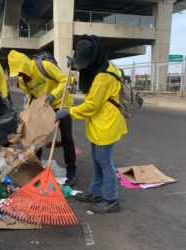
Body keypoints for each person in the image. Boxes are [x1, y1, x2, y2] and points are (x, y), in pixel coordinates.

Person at [55, 35, 127, 214]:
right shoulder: (101, 64)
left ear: (94, 57)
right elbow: (89, 70)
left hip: (106, 123)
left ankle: (112, 200)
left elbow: (92, 105)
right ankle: (95, 193)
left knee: (104, 161)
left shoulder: (104, 77)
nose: (84, 65)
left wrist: (68, 111)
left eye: (85, 61)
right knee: (97, 159)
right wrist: (76, 65)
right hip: (99, 122)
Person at [8, 50, 77, 187]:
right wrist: (28, 113)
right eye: (17, 74)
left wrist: (53, 95)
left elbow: (64, 80)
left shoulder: (44, 66)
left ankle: (71, 170)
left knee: (66, 138)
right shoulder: (22, 80)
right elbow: (30, 97)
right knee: (36, 139)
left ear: (26, 66)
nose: (20, 76)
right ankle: (36, 170)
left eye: (20, 72)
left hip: (60, 103)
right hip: (44, 106)